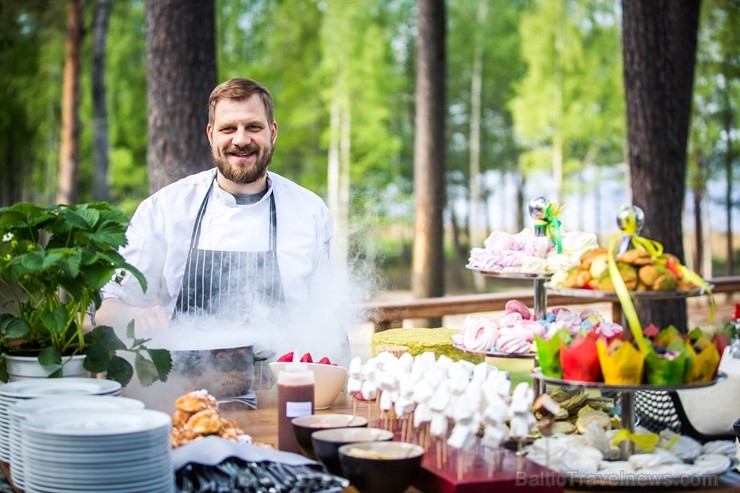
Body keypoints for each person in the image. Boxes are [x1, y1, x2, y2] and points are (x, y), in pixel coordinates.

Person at [95, 78, 339, 361]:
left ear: (273, 132)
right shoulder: (165, 209)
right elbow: (108, 309)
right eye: (228, 128)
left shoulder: (309, 212)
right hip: (182, 393)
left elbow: (328, 318)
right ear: (211, 135)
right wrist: (137, 316)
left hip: (281, 392)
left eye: (253, 127)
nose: (241, 139)